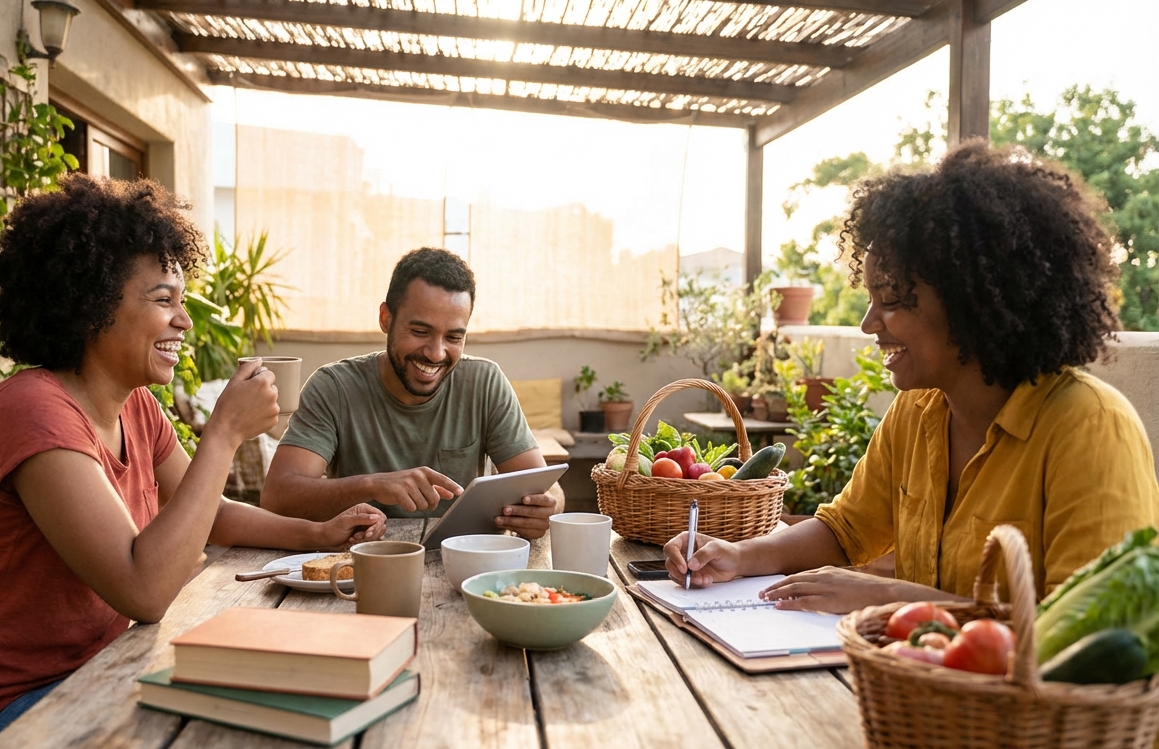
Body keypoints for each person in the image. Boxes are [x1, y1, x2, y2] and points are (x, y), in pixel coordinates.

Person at [0, 175, 386, 749]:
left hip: (95, 675)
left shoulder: (133, 405)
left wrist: (318, 534)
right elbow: (146, 590)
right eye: (164, 300)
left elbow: (207, 512)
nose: (184, 321)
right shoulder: (32, 410)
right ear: (90, 306)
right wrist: (223, 434)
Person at [665, 140, 1159, 613]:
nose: (868, 324)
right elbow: (846, 531)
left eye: (894, 300)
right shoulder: (919, 410)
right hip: (922, 689)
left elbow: (1087, 636)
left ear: (974, 303)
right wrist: (739, 555)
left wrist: (890, 598)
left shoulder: (1089, 427)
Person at [261, 247, 563, 538]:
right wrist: (372, 485)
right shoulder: (333, 387)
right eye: (420, 332)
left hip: (464, 564)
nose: (436, 353)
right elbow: (278, 498)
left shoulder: (485, 383)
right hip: (358, 564)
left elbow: (545, 489)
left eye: (454, 337)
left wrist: (547, 509)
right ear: (386, 319)